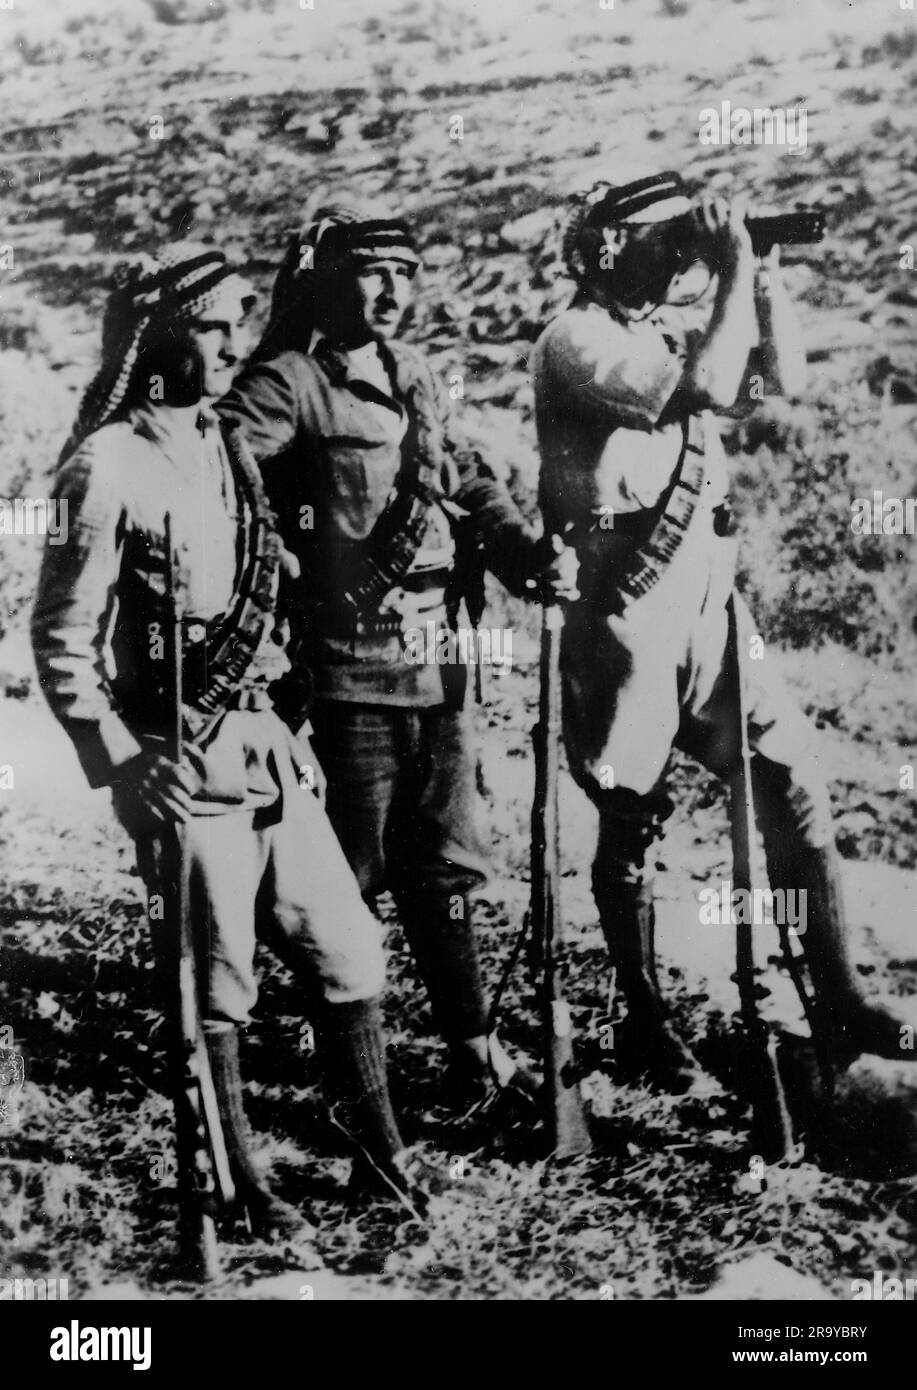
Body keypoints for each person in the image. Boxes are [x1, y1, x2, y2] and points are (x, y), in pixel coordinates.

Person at [31, 243, 433, 1245]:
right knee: (217, 979)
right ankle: (241, 1182)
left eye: (231, 325)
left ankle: (379, 1161)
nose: (225, 345)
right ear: (161, 336)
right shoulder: (108, 461)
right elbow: (61, 634)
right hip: (182, 753)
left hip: (262, 743)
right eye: (206, 328)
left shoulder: (221, 441)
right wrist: (123, 758)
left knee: (346, 945)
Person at [532, 170, 915, 1090]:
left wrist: (764, 274)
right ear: (611, 250)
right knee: (635, 811)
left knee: (791, 777)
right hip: (625, 601)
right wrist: (733, 266)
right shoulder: (574, 337)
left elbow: (779, 378)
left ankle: (839, 991)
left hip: (708, 597)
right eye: (665, 241)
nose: (681, 258)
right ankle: (643, 1014)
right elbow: (698, 388)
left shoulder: (665, 326)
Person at [218, 200, 578, 1102]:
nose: (392, 290)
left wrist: (525, 552)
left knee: (445, 866)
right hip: (347, 674)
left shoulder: (414, 373)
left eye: (406, 273)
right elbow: (220, 472)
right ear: (330, 282)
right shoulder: (287, 382)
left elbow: (464, 478)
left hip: (438, 669)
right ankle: (345, 1070)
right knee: (346, 879)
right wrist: (275, 554)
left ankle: (472, 1049)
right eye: (373, 272)